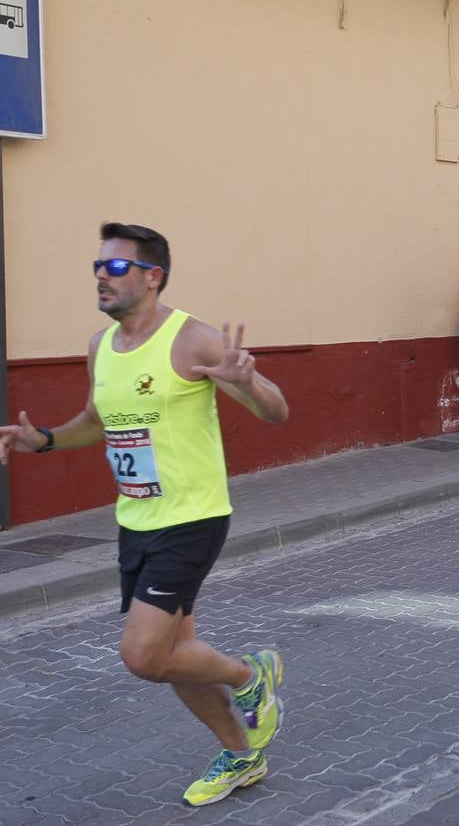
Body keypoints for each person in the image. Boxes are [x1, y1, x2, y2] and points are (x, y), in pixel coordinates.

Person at [0, 223, 288, 807]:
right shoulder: (99, 346)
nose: (100, 278)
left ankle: (249, 675)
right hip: (135, 520)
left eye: (115, 268)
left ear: (152, 276)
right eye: (97, 267)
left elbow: (277, 411)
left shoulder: (193, 340)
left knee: (142, 655)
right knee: (174, 656)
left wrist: (248, 385)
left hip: (193, 517)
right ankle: (241, 753)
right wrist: (47, 439)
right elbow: (98, 418)